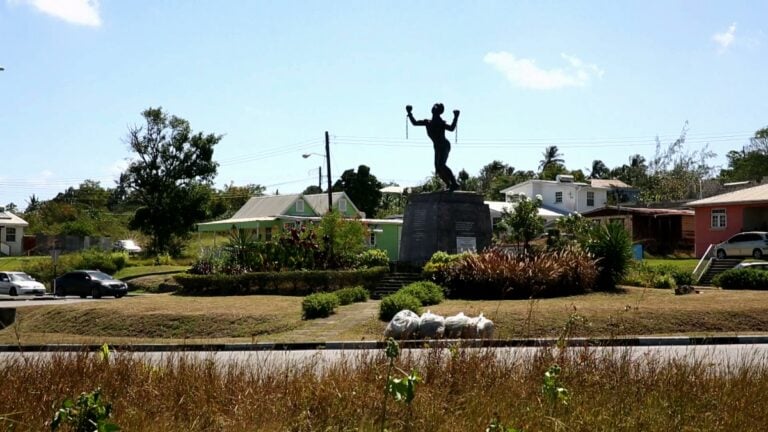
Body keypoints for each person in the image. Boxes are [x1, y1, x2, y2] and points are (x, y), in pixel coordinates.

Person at [406, 103, 460, 191]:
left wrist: (456, 117)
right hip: (437, 147)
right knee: (438, 169)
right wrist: (410, 113)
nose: (434, 108)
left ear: (439, 111)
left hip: (444, 145)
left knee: (442, 165)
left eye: (436, 108)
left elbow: (451, 128)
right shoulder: (428, 122)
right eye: (434, 107)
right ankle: (449, 184)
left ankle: (454, 183)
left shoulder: (441, 123)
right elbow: (415, 123)